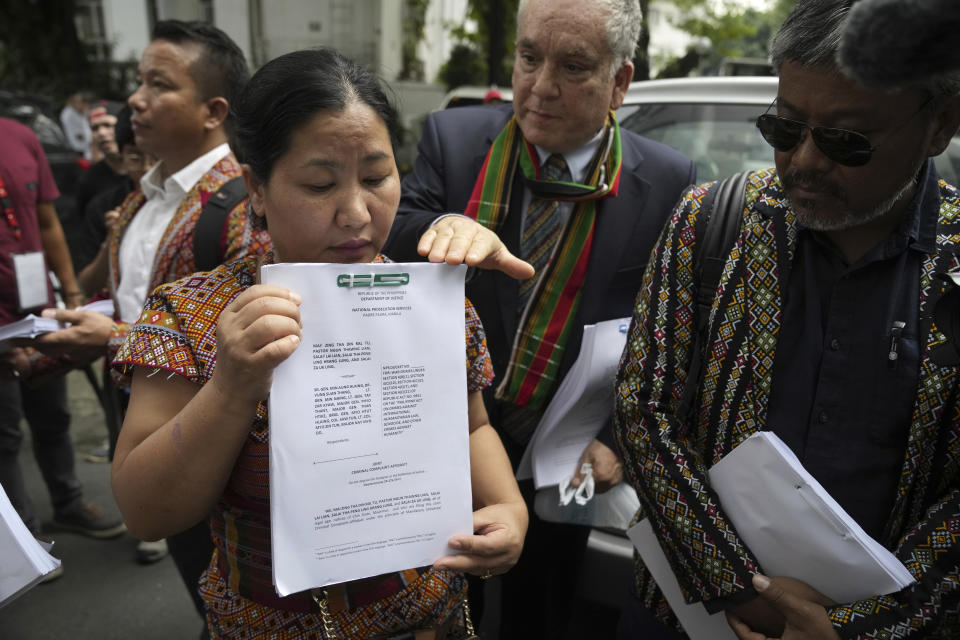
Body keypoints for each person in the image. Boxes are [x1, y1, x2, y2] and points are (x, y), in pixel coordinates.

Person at [110, 47, 528, 639]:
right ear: (256, 187)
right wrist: (230, 389)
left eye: (378, 178)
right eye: (319, 184)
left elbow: (471, 426)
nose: (356, 213)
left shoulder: (425, 300)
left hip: (433, 623)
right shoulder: (193, 313)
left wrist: (509, 510)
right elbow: (145, 511)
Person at [613, 2, 960, 639]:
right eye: (784, 128)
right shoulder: (710, 223)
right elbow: (643, 408)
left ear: (938, 125)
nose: (803, 161)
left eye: (845, 141)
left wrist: (860, 627)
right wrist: (741, 590)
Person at [383, 0, 695, 635]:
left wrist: (618, 445)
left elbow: (672, 332)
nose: (541, 86)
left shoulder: (667, 180)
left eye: (573, 66)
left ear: (621, 82)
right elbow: (392, 228)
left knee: (553, 600)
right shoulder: (458, 138)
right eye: (529, 57)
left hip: (573, 446)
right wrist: (442, 224)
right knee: (443, 586)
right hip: (454, 430)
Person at [31, 19, 268, 622]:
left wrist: (110, 338)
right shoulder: (143, 194)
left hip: (209, 444)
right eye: (138, 82)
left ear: (214, 109)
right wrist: (75, 325)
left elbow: (250, 337)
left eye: (157, 84)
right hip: (139, 420)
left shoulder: (243, 205)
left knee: (227, 593)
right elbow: (129, 296)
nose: (134, 100)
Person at [0, 116, 125, 550]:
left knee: (52, 415)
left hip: (36, 307)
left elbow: (47, 222)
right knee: (5, 432)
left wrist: (71, 290)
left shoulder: (19, 136)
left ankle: (68, 503)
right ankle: (24, 539)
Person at [65, 100, 128, 271]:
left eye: (108, 125)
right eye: (95, 128)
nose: (102, 133)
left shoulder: (145, 172)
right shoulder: (88, 180)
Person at [60, 91, 92, 160]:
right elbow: (77, 134)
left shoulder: (80, 112)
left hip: (85, 147)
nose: (83, 104)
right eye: (80, 102)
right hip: (78, 149)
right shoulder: (69, 114)